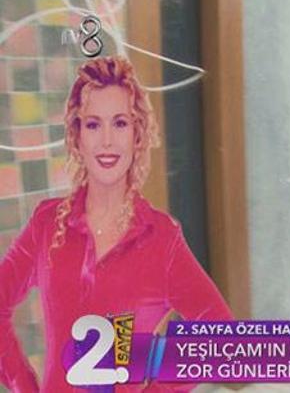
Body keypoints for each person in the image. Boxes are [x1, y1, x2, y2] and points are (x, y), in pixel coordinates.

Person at [0, 56, 233, 392]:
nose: (107, 140)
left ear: (137, 135)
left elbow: (218, 333)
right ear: (77, 136)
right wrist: (23, 384)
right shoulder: (46, 223)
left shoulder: (161, 239)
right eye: (93, 125)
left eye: (120, 123)